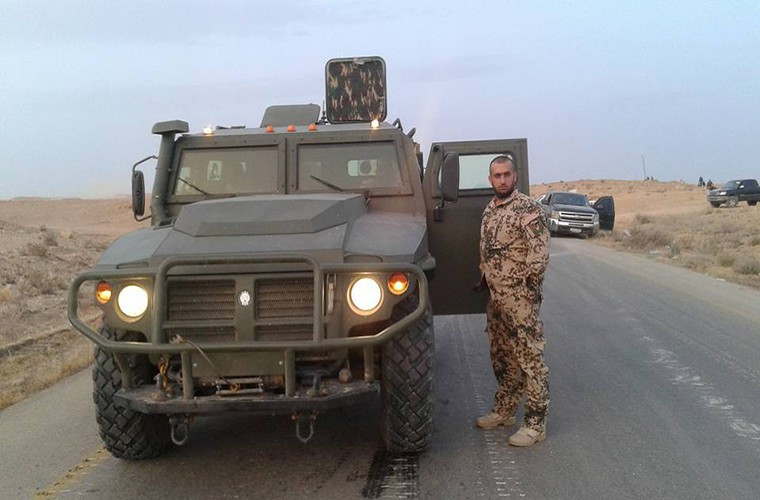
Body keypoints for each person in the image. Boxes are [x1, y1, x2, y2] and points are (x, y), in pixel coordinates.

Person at [475, 155, 551, 447]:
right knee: (503, 357)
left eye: (507, 174)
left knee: (530, 358)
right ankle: (505, 410)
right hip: (496, 299)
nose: (503, 180)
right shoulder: (490, 210)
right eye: (497, 175)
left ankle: (535, 423)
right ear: (490, 179)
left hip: (519, 300)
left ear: (515, 176)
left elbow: (539, 255)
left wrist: (527, 292)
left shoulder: (527, 208)